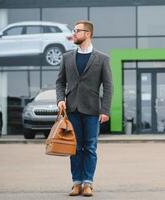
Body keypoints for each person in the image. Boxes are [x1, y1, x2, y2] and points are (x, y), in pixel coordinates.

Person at [56, 20, 113, 197]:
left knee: (90, 147)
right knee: (75, 147)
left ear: (87, 34)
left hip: (92, 111)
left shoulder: (102, 59)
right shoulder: (67, 58)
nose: (73, 34)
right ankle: (76, 183)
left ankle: (88, 183)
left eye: (77, 31)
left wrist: (105, 110)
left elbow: (109, 86)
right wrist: (60, 100)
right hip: (72, 109)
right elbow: (60, 82)